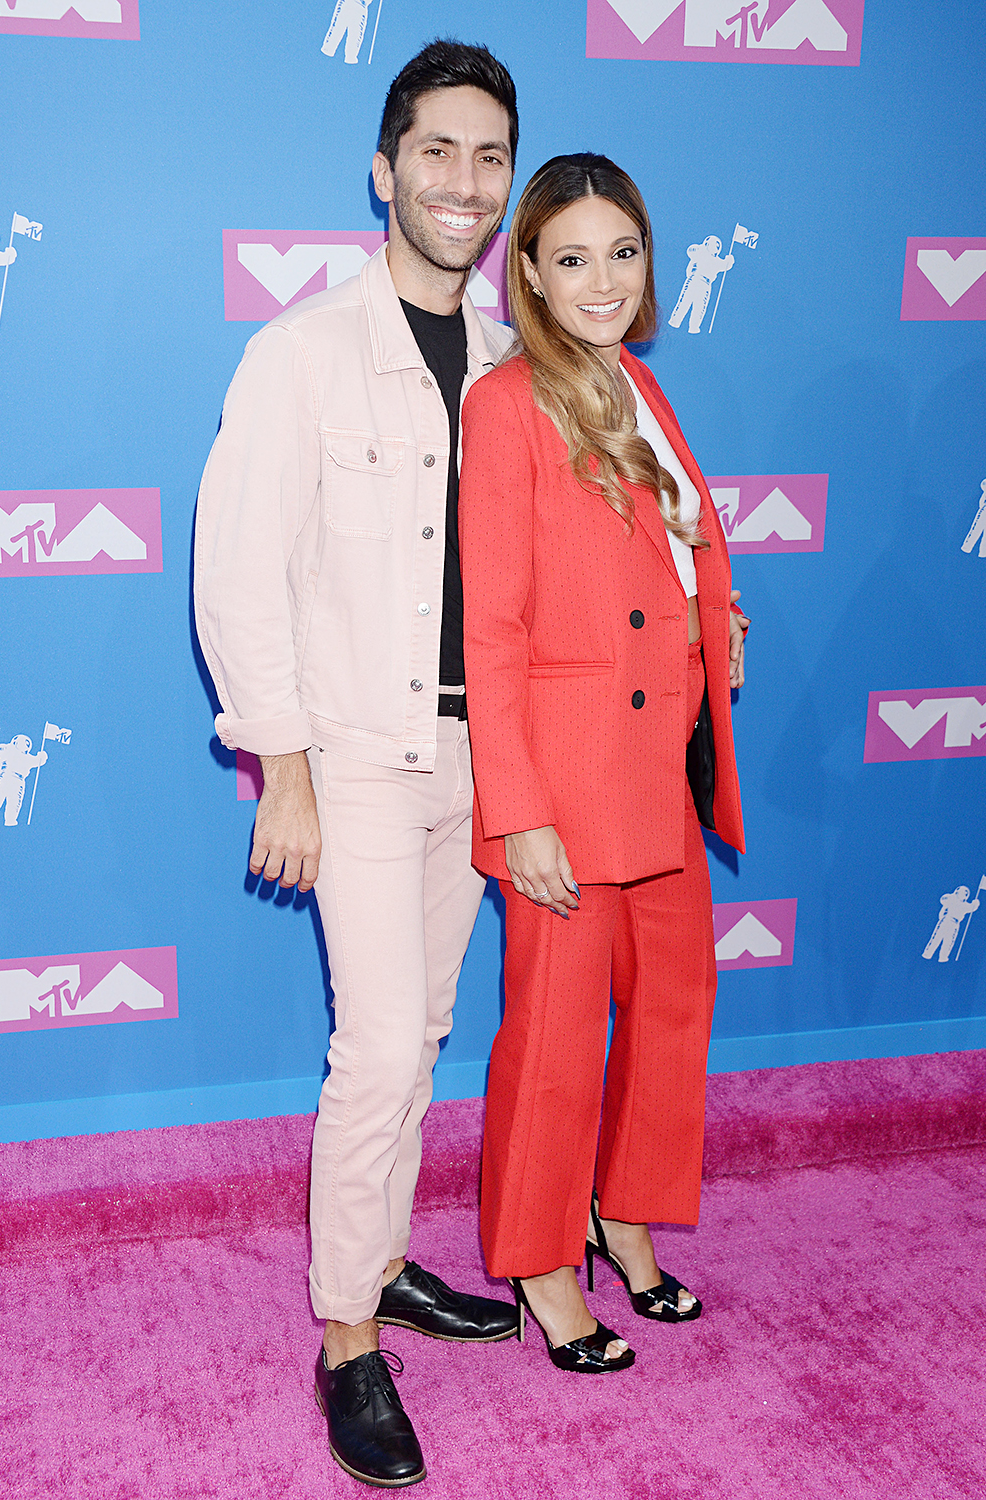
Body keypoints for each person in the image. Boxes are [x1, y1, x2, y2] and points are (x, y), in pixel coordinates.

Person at [194, 41, 521, 1488]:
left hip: (485, 756)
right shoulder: (304, 351)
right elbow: (236, 571)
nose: (464, 183)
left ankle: (382, 1264)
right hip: (362, 756)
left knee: (427, 1029)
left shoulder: (525, 357)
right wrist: (288, 768)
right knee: (378, 1051)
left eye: (488, 159)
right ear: (384, 171)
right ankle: (344, 1343)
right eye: (437, 153)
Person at [459, 154, 747, 1372]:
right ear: (525, 271)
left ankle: (618, 1213)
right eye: (569, 257)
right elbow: (496, 629)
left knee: (673, 1013)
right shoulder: (508, 402)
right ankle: (537, 1259)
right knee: (557, 1033)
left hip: (665, 766)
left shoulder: (639, 385)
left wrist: (710, 616)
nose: (599, 279)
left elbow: (665, 558)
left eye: (620, 254)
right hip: (567, 786)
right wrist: (519, 811)